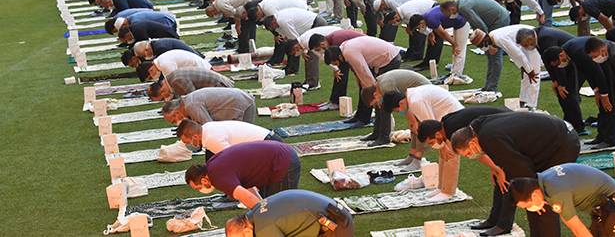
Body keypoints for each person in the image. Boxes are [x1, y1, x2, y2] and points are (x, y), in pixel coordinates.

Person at [451, 113, 580, 237]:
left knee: (543, 197)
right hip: (551, 139)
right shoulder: (477, 128)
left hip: (563, 143)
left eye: (468, 153)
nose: (470, 157)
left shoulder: (489, 139)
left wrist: (533, 195)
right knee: (534, 198)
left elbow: (523, 171)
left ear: (472, 143)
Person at [382, 84, 463, 201]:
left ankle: (448, 191)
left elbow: (431, 126)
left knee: (450, 155)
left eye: (397, 110)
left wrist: (442, 146)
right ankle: (442, 187)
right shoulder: (411, 96)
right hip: (447, 118)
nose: (400, 112)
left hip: (454, 119)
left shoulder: (415, 101)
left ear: (400, 104)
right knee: (443, 154)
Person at [509, 163, 615, 237]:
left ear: (535, 195)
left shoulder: (556, 194)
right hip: (605, 205)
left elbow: (576, 228)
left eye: (527, 206)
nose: (530, 209)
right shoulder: (545, 179)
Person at [324, 36, 401, 144]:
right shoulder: (344, 49)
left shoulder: (349, 53)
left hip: (390, 59)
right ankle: (377, 132)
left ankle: (384, 136)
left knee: (381, 100)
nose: (338, 66)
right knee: (375, 96)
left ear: (339, 58)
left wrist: (374, 94)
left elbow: (366, 75)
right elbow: (361, 75)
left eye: (336, 63)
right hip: (385, 59)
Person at [185, 141, 300, 208]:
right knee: (269, 203)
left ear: (204, 180)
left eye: (198, 187)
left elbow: (247, 197)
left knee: (281, 207)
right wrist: (262, 205)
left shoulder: (217, 178)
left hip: (283, 161)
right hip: (279, 154)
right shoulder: (212, 165)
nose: (200, 190)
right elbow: (248, 190)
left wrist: (261, 214)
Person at [361, 69, 430, 171]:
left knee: (418, 127)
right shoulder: (380, 84)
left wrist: (412, 121)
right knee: (413, 127)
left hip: (424, 92)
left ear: (375, 95)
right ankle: (412, 156)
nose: (378, 106)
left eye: (376, 103)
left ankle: (417, 160)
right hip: (416, 93)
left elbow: (401, 103)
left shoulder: (386, 87)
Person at [225, 190, 354, 237]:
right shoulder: (257, 210)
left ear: (246, 230)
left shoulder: (264, 228)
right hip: (335, 212)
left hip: (337, 227)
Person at [472, 24, 541, 109]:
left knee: (534, 75)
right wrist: (523, 67)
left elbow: (517, 54)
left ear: (485, 42)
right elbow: (513, 54)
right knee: (525, 75)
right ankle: (523, 100)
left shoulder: (499, 39)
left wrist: (529, 70)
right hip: (523, 39)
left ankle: (532, 105)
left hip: (531, 38)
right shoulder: (493, 35)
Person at [308, 29, 365, 110]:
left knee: (341, 73)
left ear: (322, 43)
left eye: (318, 49)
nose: (321, 52)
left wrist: (337, 69)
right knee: (339, 73)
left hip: (361, 49)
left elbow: (340, 59)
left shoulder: (336, 40)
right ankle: (333, 100)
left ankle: (337, 102)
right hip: (355, 49)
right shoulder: (331, 40)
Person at [176, 119, 281, 159]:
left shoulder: (211, 139)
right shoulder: (207, 127)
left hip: (271, 147)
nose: (189, 145)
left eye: (187, 142)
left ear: (195, 137)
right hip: (269, 141)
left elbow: (233, 160)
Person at [161, 87, 256, 125]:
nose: (177, 122)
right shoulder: (188, 101)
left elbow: (209, 127)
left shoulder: (191, 105)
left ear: (176, 112)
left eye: (174, 120)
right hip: (240, 101)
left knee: (244, 140)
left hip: (243, 105)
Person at [147, 67, 234, 101]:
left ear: (162, 91)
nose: (165, 100)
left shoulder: (176, 81)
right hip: (219, 85)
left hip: (221, 86)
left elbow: (194, 99)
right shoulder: (171, 77)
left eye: (163, 98)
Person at [136, 49, 211, 81]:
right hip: (199, 69)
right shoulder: (160, 61)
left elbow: (174, 84)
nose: (153, 78)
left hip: (203, 71)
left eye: (150, 78)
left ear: (150, 70)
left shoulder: (164, 64)